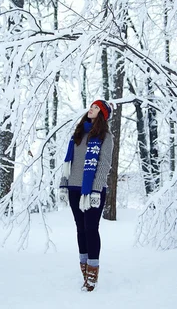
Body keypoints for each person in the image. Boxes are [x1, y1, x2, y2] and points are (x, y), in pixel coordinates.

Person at [59, 99, 114, 292]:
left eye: (96, 107)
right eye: (91, 106)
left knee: (91, 228)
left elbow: (104, 164)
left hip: (91, 190)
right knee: (80, 229)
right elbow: (69, 162)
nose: (91, 109)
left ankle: (92, 273)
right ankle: (84, 269)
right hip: (74, 188)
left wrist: (97, 189)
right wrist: (64, 184)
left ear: (103, 114)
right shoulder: (78, 133)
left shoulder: (105, 136)